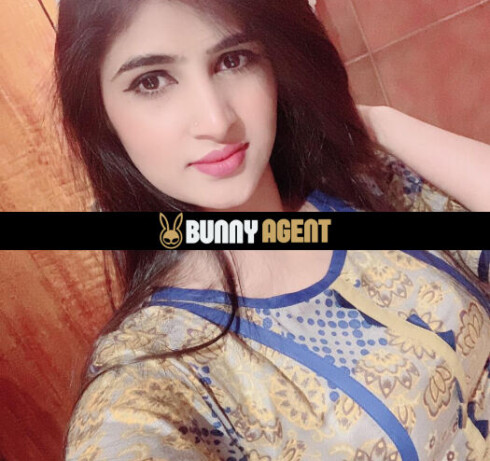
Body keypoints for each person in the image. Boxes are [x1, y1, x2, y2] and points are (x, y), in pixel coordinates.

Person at [55, 0, 490, 460]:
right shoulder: (156, 371)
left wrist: (374, 122)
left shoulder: (366, 185)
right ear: (99, 112)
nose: (217, 121)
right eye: (152, 81)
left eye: (233, 59)